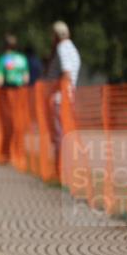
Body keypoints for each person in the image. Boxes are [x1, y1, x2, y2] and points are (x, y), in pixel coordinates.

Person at [45, 20, 81, 166]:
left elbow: (66, 72)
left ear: (55, 35)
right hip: (67, 96)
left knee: (59, 132)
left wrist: (55, 93)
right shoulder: (72, 47)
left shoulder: (62, 47)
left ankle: (61, 166)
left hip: (61, 97)